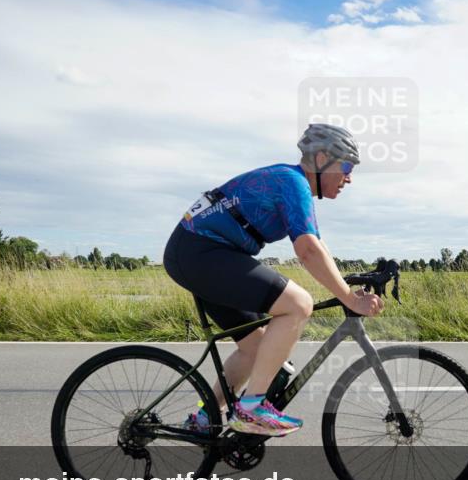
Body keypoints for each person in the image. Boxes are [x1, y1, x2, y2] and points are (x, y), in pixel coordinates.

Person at [163, 124, 385, 437]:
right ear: (321, 158)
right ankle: (251, 409)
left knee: (255, 347)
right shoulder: (293, 182)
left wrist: (347, 284)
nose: (349, 178)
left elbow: (316, 247)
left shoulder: (291, 182)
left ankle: (206, 419)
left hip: (199, 254)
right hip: (201, 252)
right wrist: (349, 298)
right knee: (298, 304)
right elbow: (307, 250)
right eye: (347, 167)